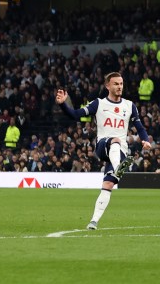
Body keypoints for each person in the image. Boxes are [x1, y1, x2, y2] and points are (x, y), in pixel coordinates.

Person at [55, 72, 152, 230]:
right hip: (102, 146)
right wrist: (62, 104)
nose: (119, 87)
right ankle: (118, 167)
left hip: (120, 151)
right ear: (108, 86)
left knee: (107, 184)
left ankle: (93, 221)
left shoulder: (129, 106)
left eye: (121, 84)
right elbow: (75, 114)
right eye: (116, 84)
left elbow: (140, 127)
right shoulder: (98, 104)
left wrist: (145, 140)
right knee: (114, 140)